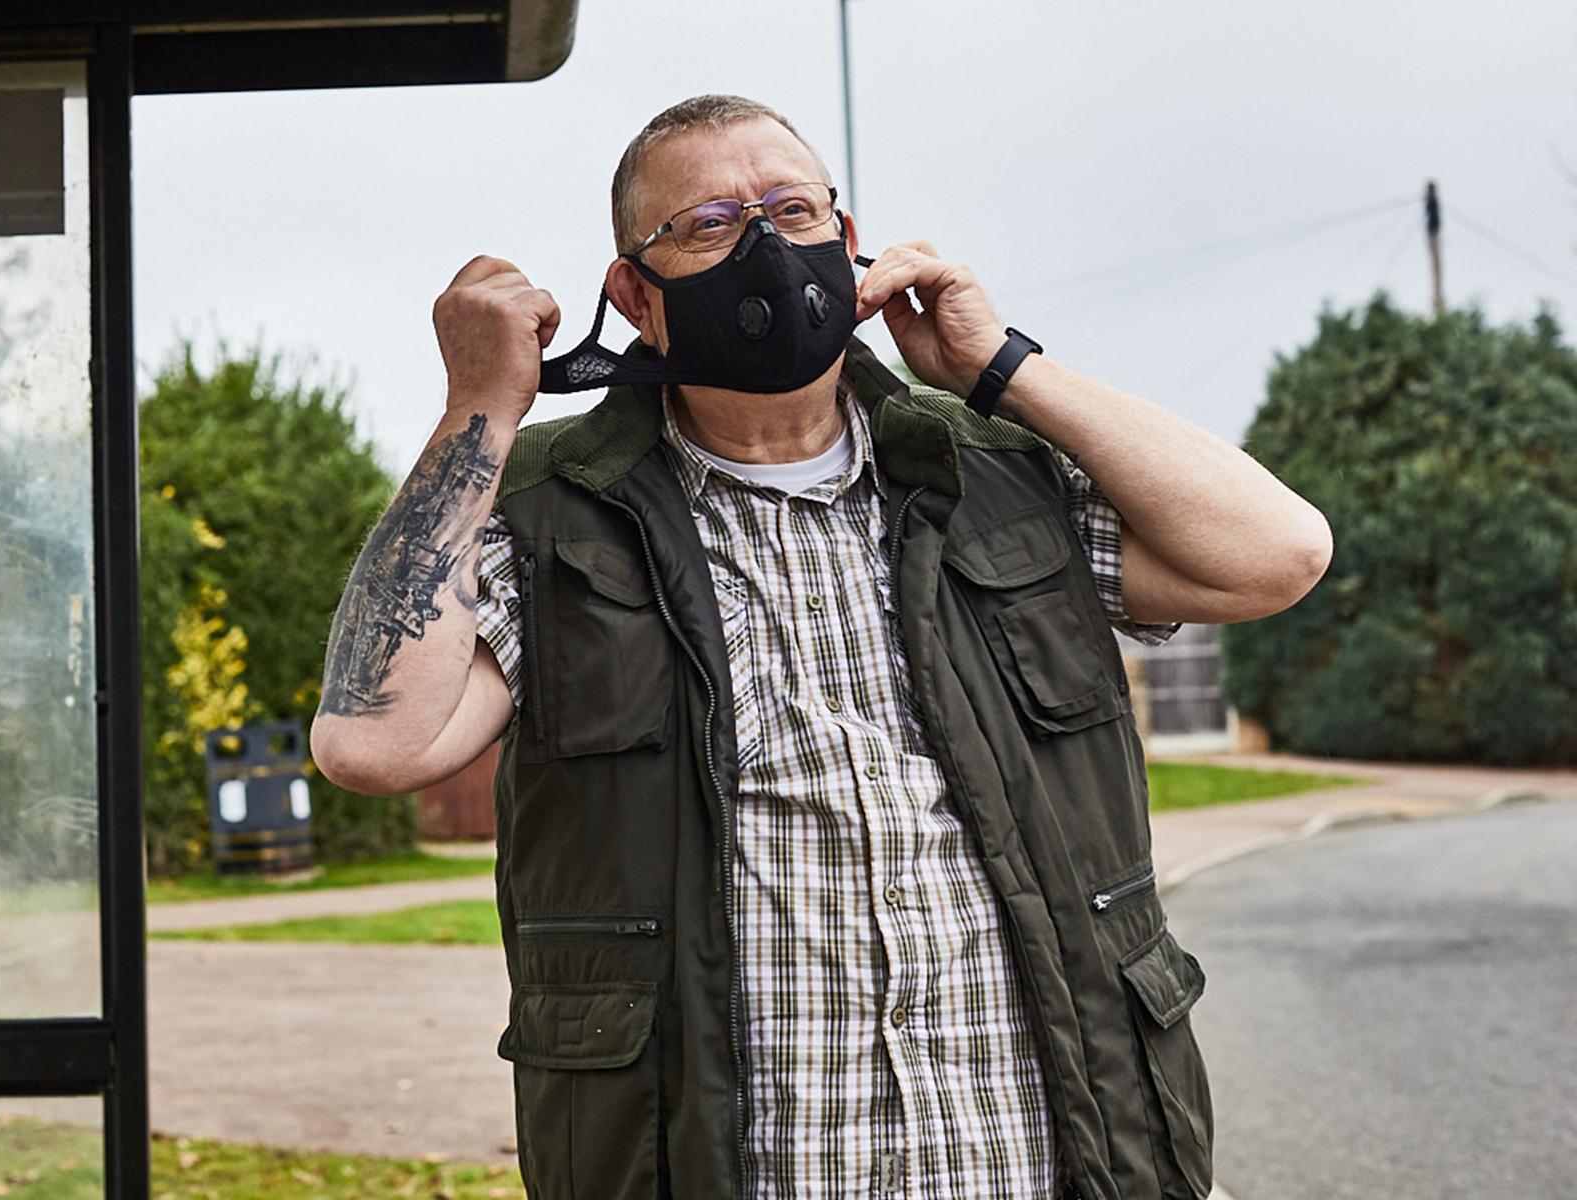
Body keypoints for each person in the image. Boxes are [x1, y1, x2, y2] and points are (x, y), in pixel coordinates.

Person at [308, 94, 1331, 1200]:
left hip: (1047, 1162)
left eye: (794, 211)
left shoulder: (994, 482)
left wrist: (1002, 369)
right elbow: (376, 742)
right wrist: (480, 410)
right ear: (636, 300)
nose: (761, 245)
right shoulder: (550, 516)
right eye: (708, 224)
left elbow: (1277, 555)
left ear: (850, 251)